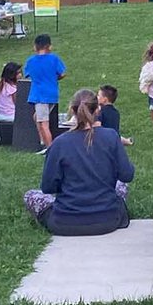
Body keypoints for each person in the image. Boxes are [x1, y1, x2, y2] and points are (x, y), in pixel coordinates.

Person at [23, 89, 135, 236]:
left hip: (65, 221)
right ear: (97, 109)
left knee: (30, 195)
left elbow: (48, 186)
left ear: (72, 110)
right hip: (108, 219)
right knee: (120, 186)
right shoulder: (111, 137)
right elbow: (127, 175)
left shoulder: (59, 143)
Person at [23, 34, 68, 151]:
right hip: (52, 94)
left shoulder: (31, 61)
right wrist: (53, 79)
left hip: (39, 95)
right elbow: (62, 73)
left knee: (43, 123)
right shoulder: (54, 59)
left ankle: (49, 148)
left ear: (35, 47)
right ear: (49, 46)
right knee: (37, 117)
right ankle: (44, 142)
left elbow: (27, 75)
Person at [0, 61, 20, 136]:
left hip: (0, 113)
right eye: (18, 73)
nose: (21, 75)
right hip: (11, 115)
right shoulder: (13, 89)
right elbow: (18, 104)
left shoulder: (0, 84)